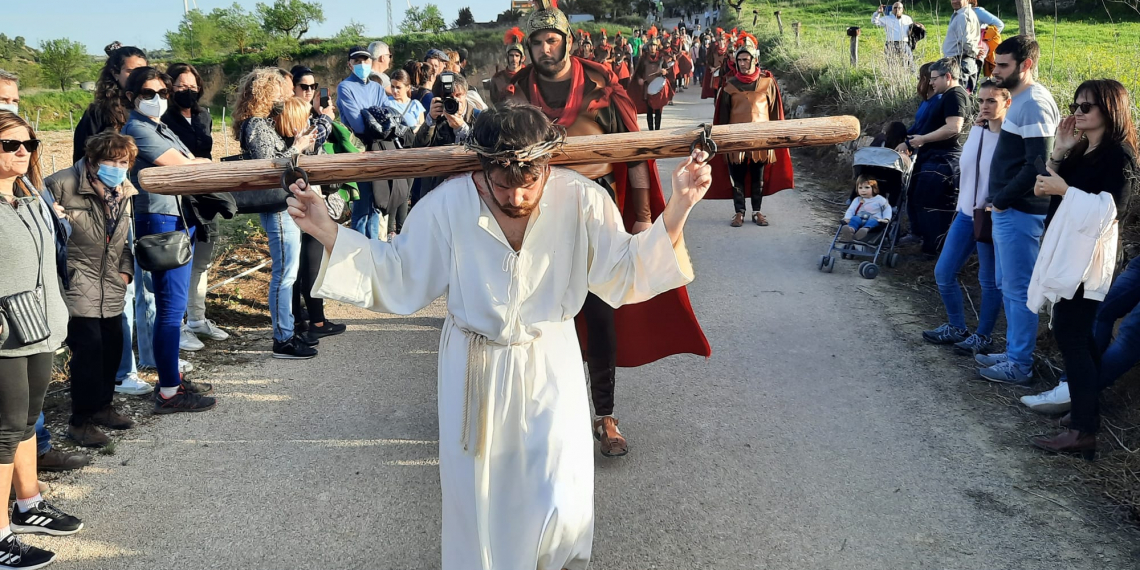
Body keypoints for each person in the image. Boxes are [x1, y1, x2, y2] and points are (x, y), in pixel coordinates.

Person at [286, 102, 712, 570]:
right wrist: (326, 229)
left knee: (561, 499)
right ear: (484, 170)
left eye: (527, 183)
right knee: (480, 504)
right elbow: (399, 272)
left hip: (552, 361)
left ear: (548, 164)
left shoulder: (583, 198)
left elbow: (626, 269)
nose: (515, 197)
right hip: (475, 367)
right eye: (502, 184)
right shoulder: (448, 203)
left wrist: (680, 206)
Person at [504, 0, 711, 458]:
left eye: (551, 38)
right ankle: (538, 413)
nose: (543, 47)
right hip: (536, 213)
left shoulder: (601, 86)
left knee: (600, 315)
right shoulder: (516, 91)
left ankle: (605, 417)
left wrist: (640, 214)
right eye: (536, 41)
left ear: (568, 40)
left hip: (597, 211)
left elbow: (634, 154)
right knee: (536, 311)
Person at [1028, 80, 1138, 459]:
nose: (1077, 111)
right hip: (1067, 253)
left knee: (1073, 338)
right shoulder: (1082, 150)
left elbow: (1111, 213)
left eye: (1087, 106)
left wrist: (1062, 192)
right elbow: (1051, 182)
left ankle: (1083, 430)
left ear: (1110, 111)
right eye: (1075, 104)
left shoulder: (1119, 157)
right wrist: (1058, 152)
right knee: (1080, 340)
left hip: (1088, 262)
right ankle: (1083, 415)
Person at [0, 111, 84, 568]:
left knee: (28, 420)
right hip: (5, 336)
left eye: (28, 145)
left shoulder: (31, 198)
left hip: (43, 326)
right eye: (9, 145)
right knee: (4, 429)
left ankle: (28, 504)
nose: (22, 152)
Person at [121, 67, 219, 413]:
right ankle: (168, 391)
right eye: (149, 94)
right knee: (170, 308)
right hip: (162, 220)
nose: (159, 99)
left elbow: (190, 161)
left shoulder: (156, 126)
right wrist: (196, 163)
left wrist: (195, 162)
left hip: (177, 217)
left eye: (162, 93)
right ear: (132, 97)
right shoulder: (136, 129)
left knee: (171, 309)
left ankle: (171, 376)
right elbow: (182, 166)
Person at [974, 36, 1061, 386]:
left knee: (1019, 289)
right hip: (1012, 210)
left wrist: (1002, 200)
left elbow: (1037, 166)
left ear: (1026, 65)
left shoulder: (1035, 104)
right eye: (995, 63)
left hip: (1022, 211)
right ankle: (1014, 354)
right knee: (1008, 284)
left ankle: (1020, 364)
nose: (995, 70)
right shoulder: (1023, 99)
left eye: (1004, 65)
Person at [44, 132, 138, 447]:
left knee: (114, 345)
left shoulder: (124, 189)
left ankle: (103, 407)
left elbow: (123, 239)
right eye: (109, 160)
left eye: (122, 161)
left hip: (110, 283)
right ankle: (80, 421)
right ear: (93, 160)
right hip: (75, 281)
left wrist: (125, 271)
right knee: (88, 349)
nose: (116, 166)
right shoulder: (60, 185)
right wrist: (61, 279)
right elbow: (51, 241)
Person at [232, 68, 319, 360]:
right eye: (282, 90)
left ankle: (287, 332)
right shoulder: (255, 124)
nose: (287, 95)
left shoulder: (262, 123)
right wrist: (296, 147)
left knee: (287, 273)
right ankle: (283, 338)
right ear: (268, 92)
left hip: (282, 204)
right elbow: (267, 168)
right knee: (284, 274)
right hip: (275, 204)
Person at [922, 80, 1010, 355]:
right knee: (944, 272)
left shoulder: (1011, 140)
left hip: (989, 215)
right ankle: (957, 327)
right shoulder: (976, 131)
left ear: (1008, 102)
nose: (984, 106)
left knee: (988, 280)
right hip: (964, 214)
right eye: (982, 100)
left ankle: (983, 336)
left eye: (991, 101)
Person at [160, 63, 229, 349]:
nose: (188, 91)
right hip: (179, 198)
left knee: (202, 261)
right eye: (181, 86)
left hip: (204, 195)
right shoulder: (164, 119)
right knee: (181, 262)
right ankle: (179, 325)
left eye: (192, 86)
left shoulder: (204, 116)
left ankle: (198, 318)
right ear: (170, 88)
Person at [709, 34, 794, 227]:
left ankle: (757, 211)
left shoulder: (767, 83)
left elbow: (774, 112)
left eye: (746, 59)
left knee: (758, 178)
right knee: (736, 178)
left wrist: (775, 137)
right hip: (735, 140)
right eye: (739, 60)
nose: (742, 63)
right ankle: (739, 212)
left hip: (760, 140)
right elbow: (722, 116)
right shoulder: (729, 86)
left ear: (754, 60)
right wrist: (721, 140)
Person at [895, 58, 971, 256]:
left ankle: (933, 250)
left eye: (934, 78)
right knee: (921, 198)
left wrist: (921, 140)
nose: (930, 82)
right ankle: (924, 242)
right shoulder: (948, 95)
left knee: (933, 204)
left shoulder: (955, 96)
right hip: (934, 156)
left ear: (948, 76)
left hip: (944, 159)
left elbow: (954, 128)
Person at [337, 47, 390, 240]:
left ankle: (374, 250)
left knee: (376, 204)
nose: (362, 65)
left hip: (377, 150)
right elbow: (358, 125)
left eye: (366, 61)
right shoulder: (345, 87)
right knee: (361, 207)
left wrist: (370, 116)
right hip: (357, 151)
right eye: (357, 61)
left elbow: (388, 118)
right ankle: (359, 252)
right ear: (349, 65)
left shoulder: (376, 87)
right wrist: (374, 116)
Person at [73, 43, 148, 162]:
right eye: (130, 71)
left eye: (143, 71)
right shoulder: (98, 112)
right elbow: (83, 157)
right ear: (115, 73)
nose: (138, 76)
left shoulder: (156, 106)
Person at [413, 72, 476, 195]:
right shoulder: (435, 119)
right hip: (436, 191)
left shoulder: (479, 117)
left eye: (458, 95)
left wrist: (462, 129)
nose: (455, 100)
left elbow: (483, 151)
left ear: (466, 95)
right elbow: (418, 149)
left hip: (468, 191)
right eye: (449, 97)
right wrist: (430, 120)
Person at [630, 28, 673, 131]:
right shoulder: (644, 58)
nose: (652, 47)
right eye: (651, 46)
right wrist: (640, 79)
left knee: (658, 110)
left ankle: (657, 130)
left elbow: (668, 71)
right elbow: (638, 73)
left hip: (658, 88)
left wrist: (665, 72)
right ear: (648, 47)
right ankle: (650, 130)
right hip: (647, 87)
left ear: (656, 47)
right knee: (649, 110)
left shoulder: (661, 58)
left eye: (654, 45)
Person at [943, 0, 981, 92]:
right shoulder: (964, 14)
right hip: (963, 60)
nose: (954, 1)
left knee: (958, 94)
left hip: (960, 61)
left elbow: (965, 41)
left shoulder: (962, 16)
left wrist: (975, 51)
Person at [840, 176, 891, 241]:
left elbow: (887, 209)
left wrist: (886, 218)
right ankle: (850, 231)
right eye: (860, 188)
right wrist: (847, 218)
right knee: (855, 219)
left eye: (867, 187)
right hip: (859, 219)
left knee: (872, 222)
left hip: (874, 219)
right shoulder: (857, 199)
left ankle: (864, 230)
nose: (863, 190)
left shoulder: (880, 199)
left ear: (874, 189)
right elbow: (851, 209)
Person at [491, 27, 527, 105]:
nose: (514, 59)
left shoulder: (530, 76)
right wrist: (503, 94)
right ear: (506, 57)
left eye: (517, 56)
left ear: (523, 58)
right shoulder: (497, 79)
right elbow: (495, 104)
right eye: (511, 55)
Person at [873, 2, 915, 68]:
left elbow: (912, 29)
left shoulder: (907, 19)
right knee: (891, 64)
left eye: (899, 8)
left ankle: (912, 76)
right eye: (895, 8)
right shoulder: (887, 18)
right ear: (892, 9)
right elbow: (874, 21)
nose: (897, 9)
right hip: (891, 44)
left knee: (909, 62)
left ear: (902, 9)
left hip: (904, 43)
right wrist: (878, 13)